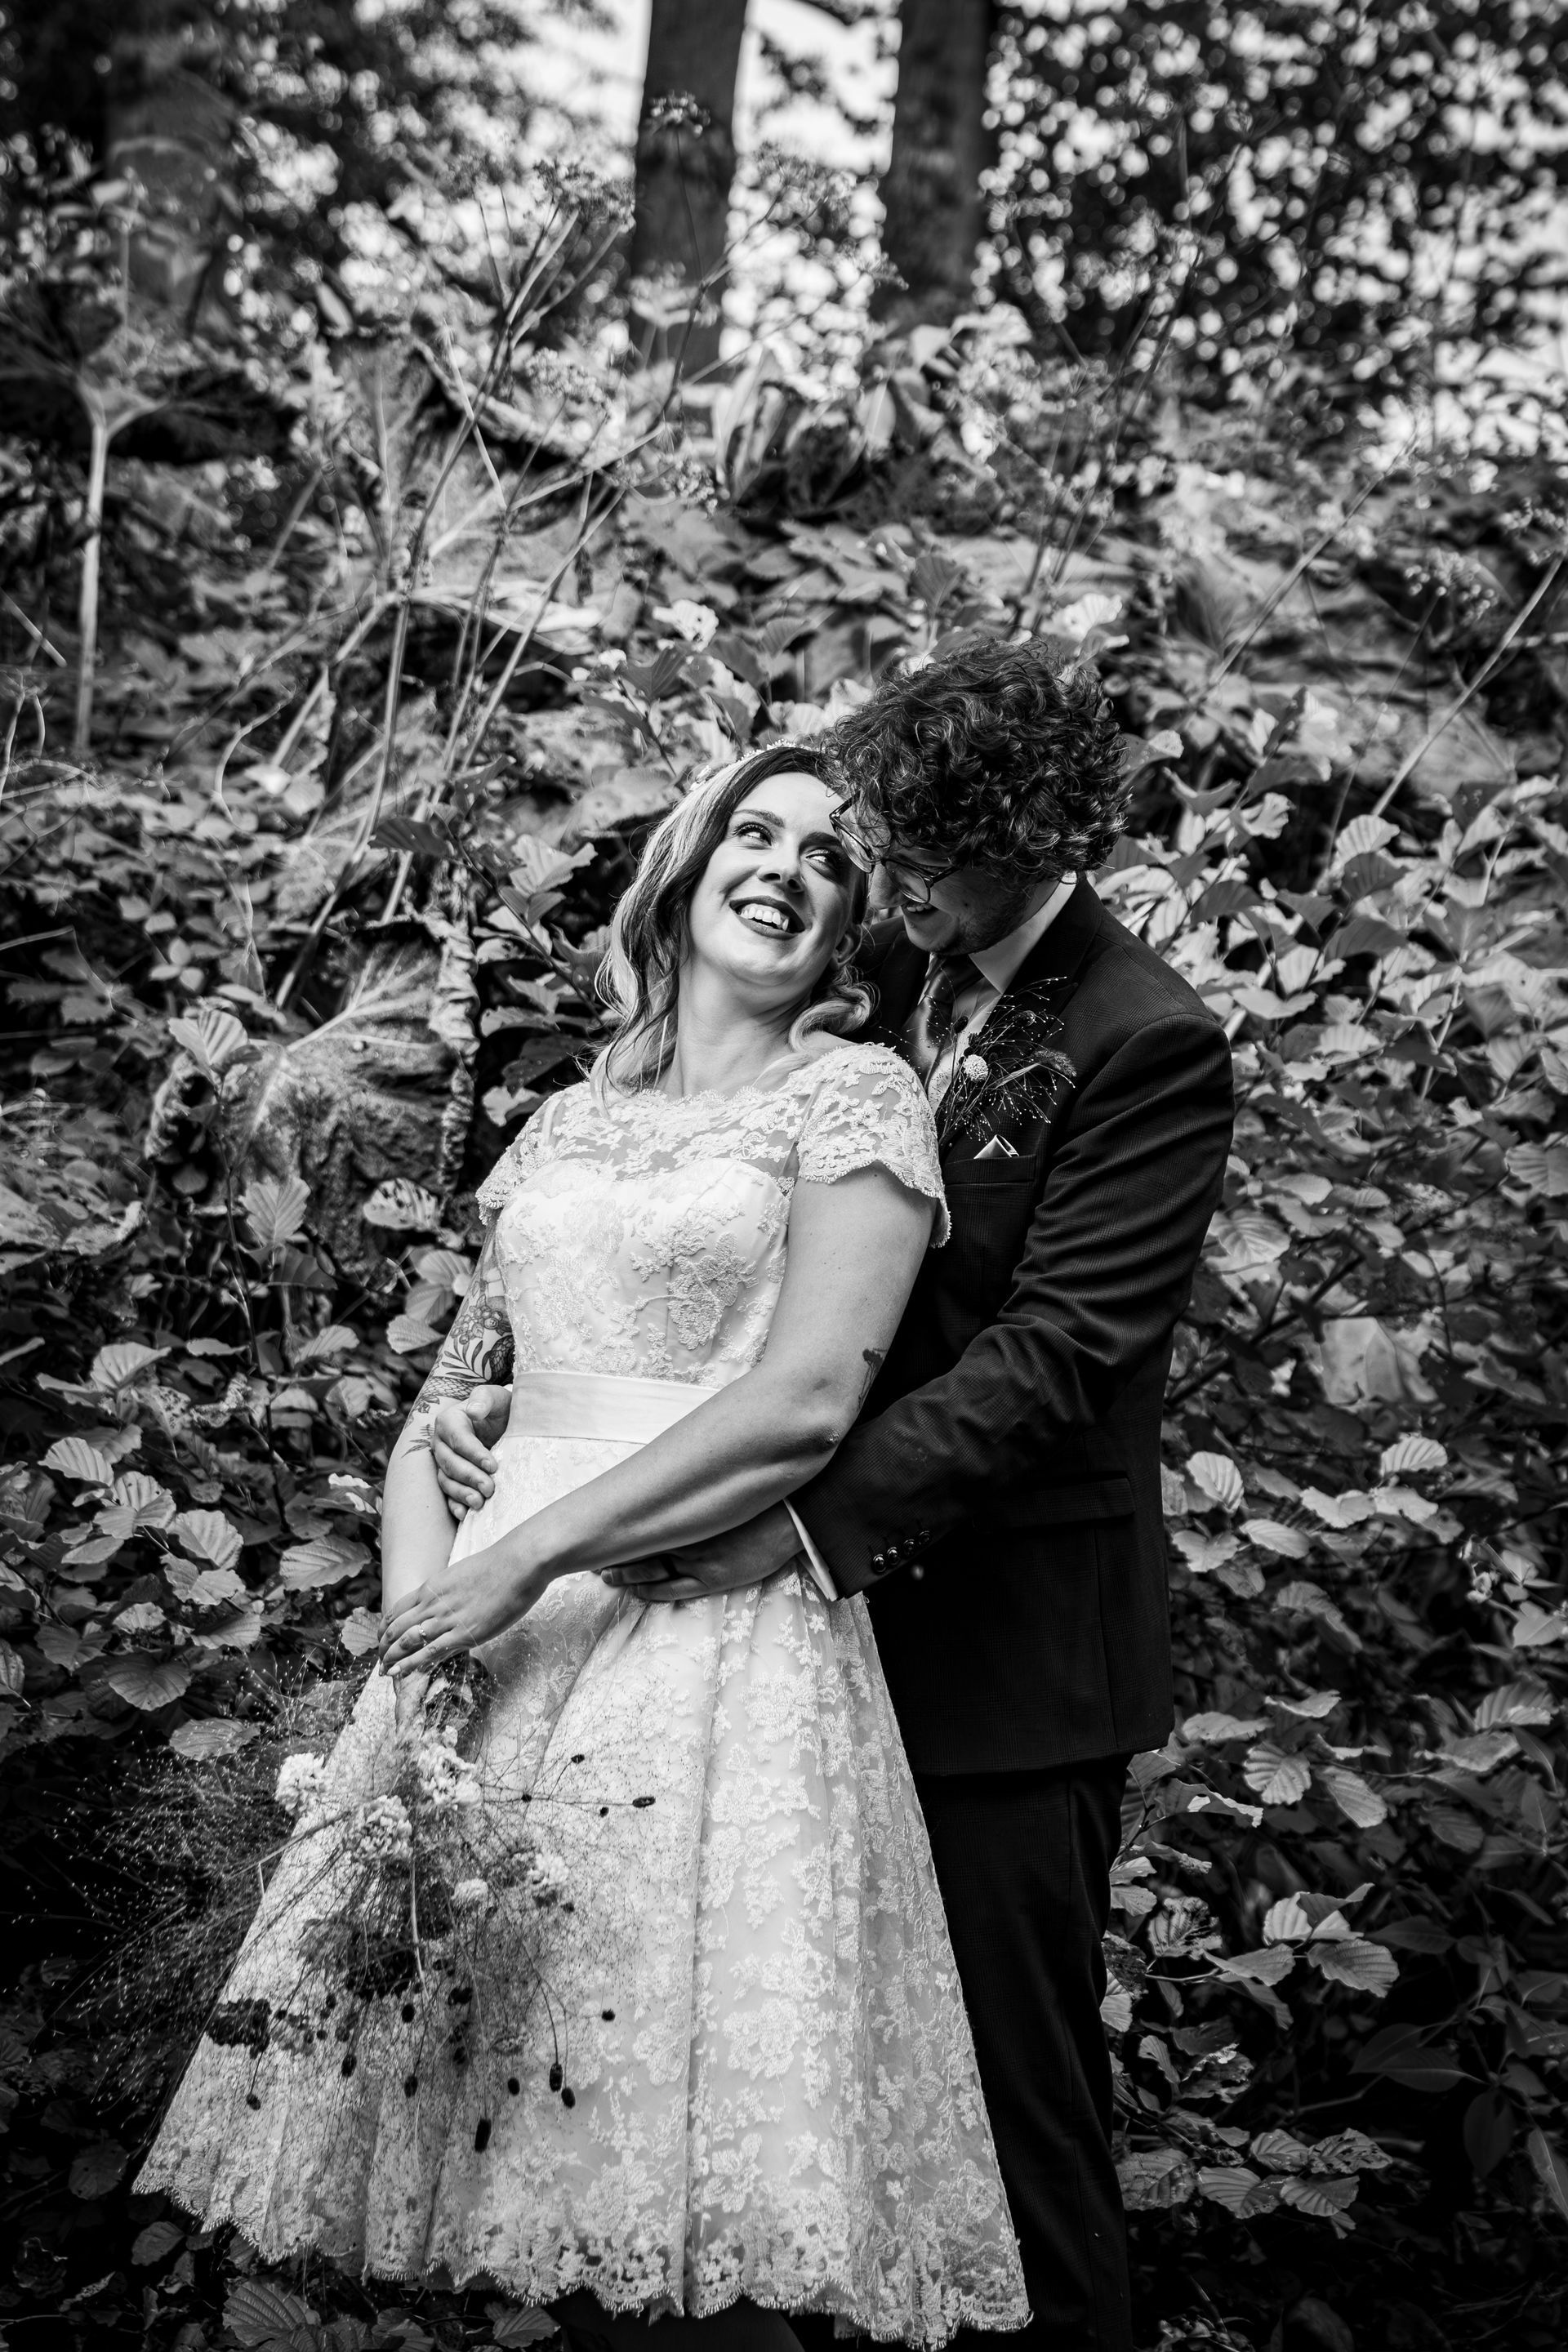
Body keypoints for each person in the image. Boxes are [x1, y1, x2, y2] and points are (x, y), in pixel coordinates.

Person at [136, 741, 1029, 2352]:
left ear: (852, 928)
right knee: (485, 2174)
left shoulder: (856, 1098)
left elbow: (806, 1400)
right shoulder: (560, 1124)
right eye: (752, 833)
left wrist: (529, 1556)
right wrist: (426, 1643)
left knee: (683, 2169)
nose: (786, 866)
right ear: (682, 880)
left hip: (703, 1638)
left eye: (830, 858)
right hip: (491, 1636)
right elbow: (438, 1411)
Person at [434, 641, 1236, 2352]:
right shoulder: (876, 961)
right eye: (889, 853)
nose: (892, 892)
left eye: (929, 866)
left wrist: (794, 1524)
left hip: (994, 1659)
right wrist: (560, 1392)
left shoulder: (1144, 1037)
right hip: (750, 1672)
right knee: (737, 2118)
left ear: (1036, 838)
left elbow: (1058, 1355)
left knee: (1008, 2138)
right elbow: (722, 1212)